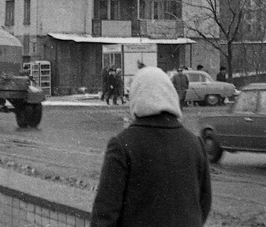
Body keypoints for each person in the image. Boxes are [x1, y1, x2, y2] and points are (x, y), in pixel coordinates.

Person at [90, 66, 212, 227]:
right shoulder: (195, 143)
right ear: (171, 95)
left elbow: (105, 213)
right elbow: (204, 202)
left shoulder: (122, 145)